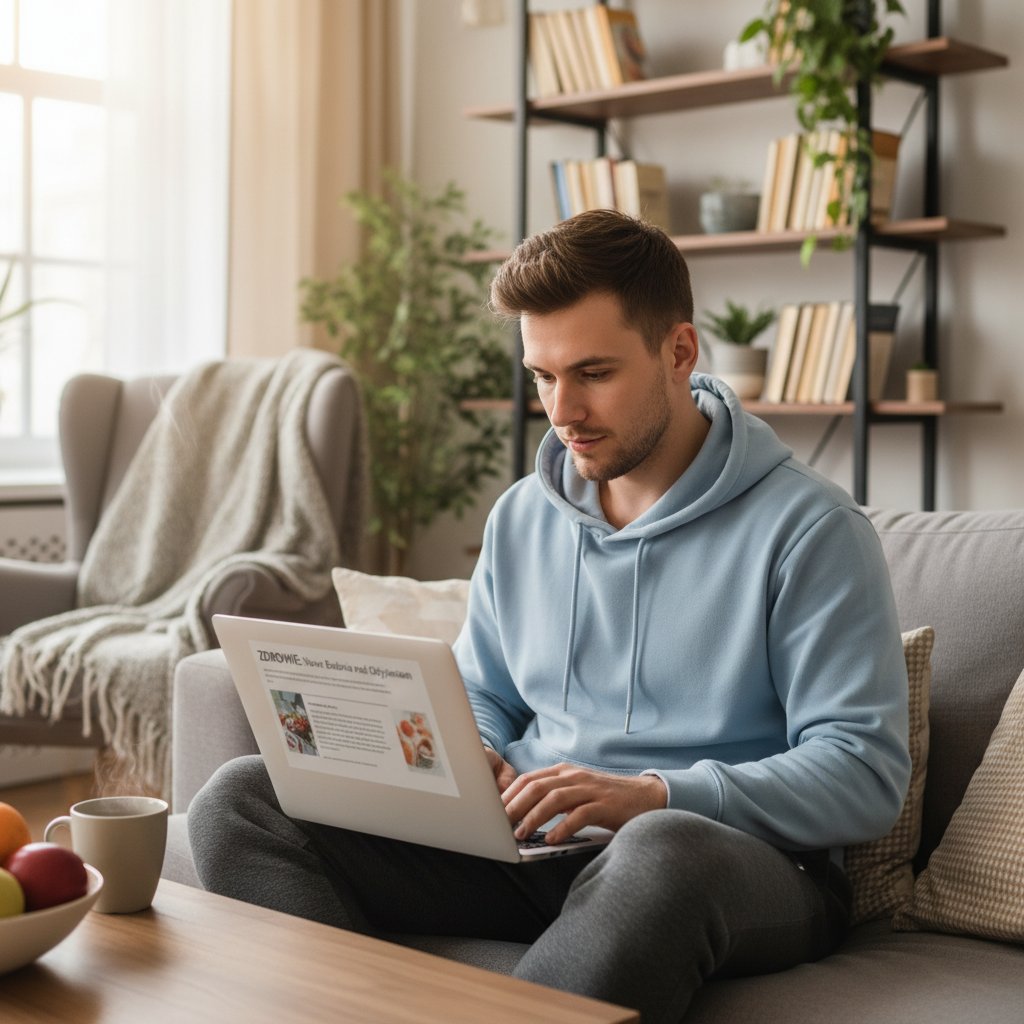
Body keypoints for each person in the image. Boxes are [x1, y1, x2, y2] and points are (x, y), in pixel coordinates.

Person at [189, 209, 910, 1023]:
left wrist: (655, 795)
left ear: (679, 352)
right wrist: (471, 752)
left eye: (593, 373)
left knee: (658, 852)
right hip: (530, 847)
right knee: (241, 797)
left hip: (725, 861)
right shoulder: (523, 516)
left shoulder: (812, 530)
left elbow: (862, 773)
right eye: (542, 375)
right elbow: (486, 688)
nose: (562, 410)